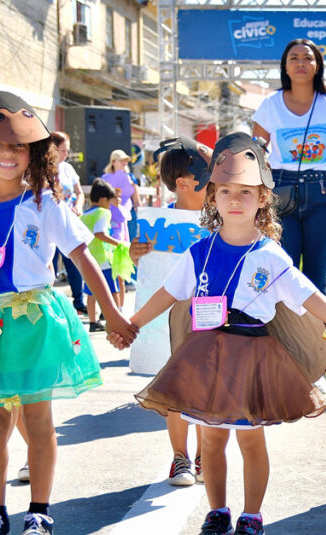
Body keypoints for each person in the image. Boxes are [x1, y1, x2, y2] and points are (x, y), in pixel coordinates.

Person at [113, 132, 326, 535]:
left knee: (251, 441)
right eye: (226, 191)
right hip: (205, 357)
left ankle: (252, 514)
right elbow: (169, 294)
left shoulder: (269, 254)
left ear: (262, 199)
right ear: (213, 198)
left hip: (252, 357)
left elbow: (307, 293)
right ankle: (218, 510)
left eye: (246, 191)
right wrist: (132, 324)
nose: (235, 200)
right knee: (211, 441)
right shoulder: (198, 252)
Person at [0, 89, 137, 535]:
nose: (7, 153)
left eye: (18, 146)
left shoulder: (45, 204)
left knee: (38, 417)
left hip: (35, 322)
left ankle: (39, 510)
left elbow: (84, 259)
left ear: (34, 153)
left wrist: (114, 316)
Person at [129, 136, 213, 487]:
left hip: (210, 314)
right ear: (183, 182)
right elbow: (141, 267)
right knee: (176, 385)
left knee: (209, 386)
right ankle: (180, 457)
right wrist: (136, 254)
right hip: (169, 317)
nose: (216, 179)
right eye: (208, 173)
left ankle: (205, 454)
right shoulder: (155, 221)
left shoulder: (223, 214)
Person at [252, 38, 326, 292]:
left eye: (307, 58)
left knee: (316, 274)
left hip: (323, 193)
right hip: (280, 190)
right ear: (284, 67)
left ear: (317, 65)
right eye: (294, 58)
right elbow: (255, 155)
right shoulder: (269, 105)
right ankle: (284, 331)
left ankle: (315, 332)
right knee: (282, 268)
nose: (301, 63)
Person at [81, 179, 124, 332]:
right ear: (104, 200)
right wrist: (118, 243)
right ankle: (117, 319)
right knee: (114, 290)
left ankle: (93, 322)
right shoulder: (103, 212)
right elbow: (100, 233)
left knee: (90, 292)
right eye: (109, 202)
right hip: (104, 259)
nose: (110, 206)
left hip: (87, 259)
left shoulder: (84, 215)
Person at [50, 131, 86, 314]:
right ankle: (50, 299)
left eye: (67, 151)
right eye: (63, 150)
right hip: (50, 223)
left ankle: (78, 301)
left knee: (74, 261)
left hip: (69, 221)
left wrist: (79, 206)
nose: (65, 155)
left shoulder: (68, 169)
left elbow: (80, 192)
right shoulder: (43, 168)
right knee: (51, 262)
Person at [101, 149, 140, 304]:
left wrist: (139, 211)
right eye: (121, 160)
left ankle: (130, 278)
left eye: (126, 161)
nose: (125, 163)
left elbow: (135, 198)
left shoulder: (130, 177)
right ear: (113, 161)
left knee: (129, 247)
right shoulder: (105, 178)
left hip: (127, 217)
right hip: (109, 217)